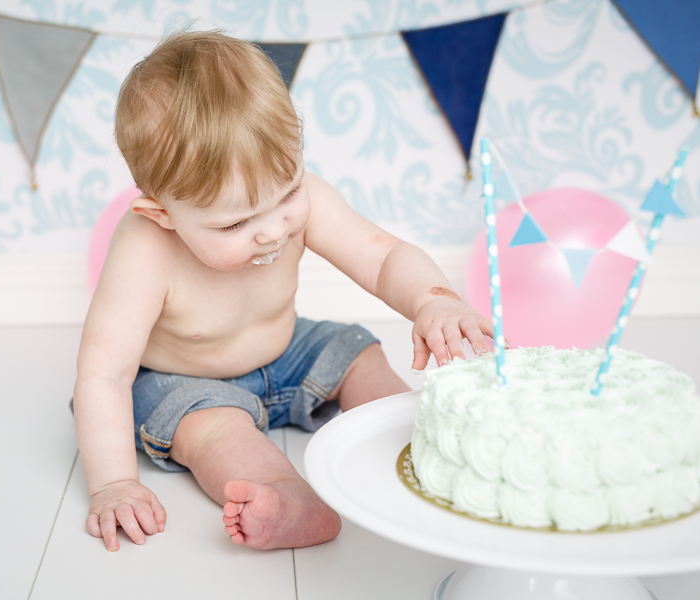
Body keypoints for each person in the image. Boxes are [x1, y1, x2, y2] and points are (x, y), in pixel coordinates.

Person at [73, 30, 493, 552]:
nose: (273, 230)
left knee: (355, 351)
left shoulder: (303, 200)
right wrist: (114, 484)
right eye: (235, 224)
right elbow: (103, 374)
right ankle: (285, 497)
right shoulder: (144, 250)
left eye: (288, 191)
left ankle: (424, 441)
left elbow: (382, 256)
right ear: (162, 214)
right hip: (188, 380)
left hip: (287, 350)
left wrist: (433, 299)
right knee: (212, 431)